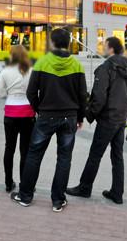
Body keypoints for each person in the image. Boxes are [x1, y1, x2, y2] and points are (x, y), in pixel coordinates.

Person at [12, 28, 87, 212]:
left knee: (34, 155)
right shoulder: (77, 65)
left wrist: (40, 109)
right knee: (64, 159)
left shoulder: (41, 63)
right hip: (69, 117)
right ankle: (57, 200)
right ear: (68, 43)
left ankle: (25, 196)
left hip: (46, 116)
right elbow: (83, 95)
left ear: (51, 43)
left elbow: (31, 92)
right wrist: (80, 116)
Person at [65, 36, 127, 204]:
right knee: (117, 156)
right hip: (121, 116)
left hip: (108, 117)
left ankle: (85, 187)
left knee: (95, 154)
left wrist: (90, 114)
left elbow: (99, 95)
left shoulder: (106, 67)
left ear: (111, 49)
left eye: (104, 45)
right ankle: (117, 193)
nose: (102, 47)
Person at [0, 45, 35, 192]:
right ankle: (25, 184)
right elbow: (36, 92)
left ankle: (8, 182)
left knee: (9, 148)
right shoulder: (31, 71)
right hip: (28, 113)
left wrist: (8, 93)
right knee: (25, 150)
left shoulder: (6, 71)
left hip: (10, 113)